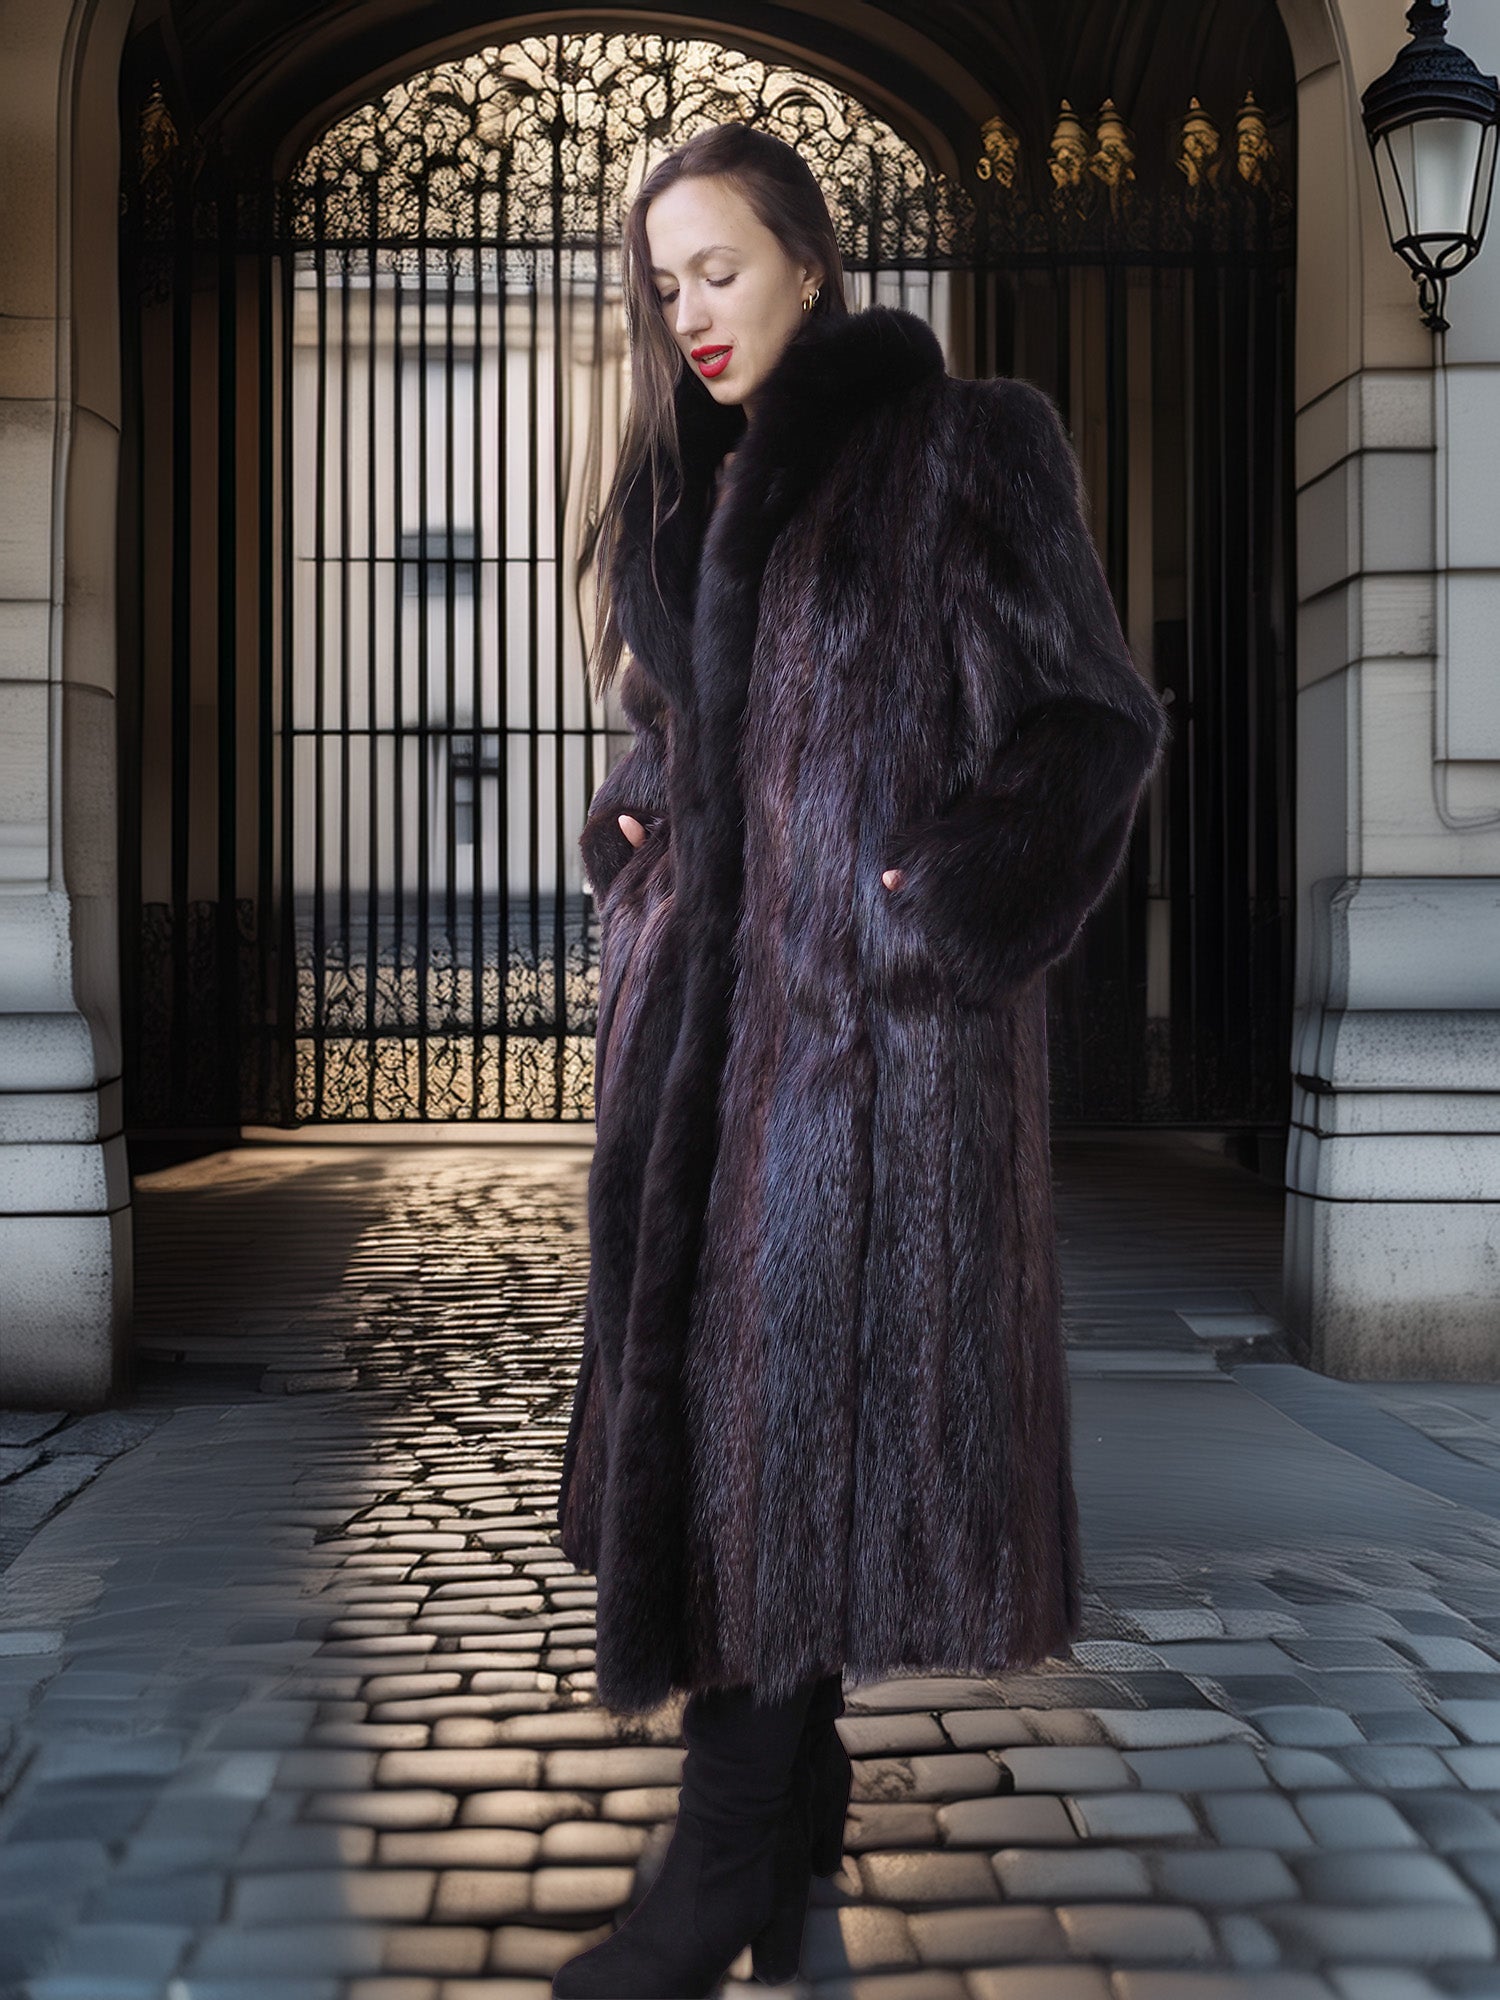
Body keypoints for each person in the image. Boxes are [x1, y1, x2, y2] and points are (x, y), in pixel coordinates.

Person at [551, 121, 1169, 1998]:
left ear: (810, 261)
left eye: (720, 269)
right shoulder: (686, 488)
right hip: (700, 1058)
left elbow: (1091, 721)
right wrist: (637, 821)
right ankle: (790, 1847)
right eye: (665, 284)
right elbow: (696, 736)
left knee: (766, 1450)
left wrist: (941, 901)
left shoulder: (967, 446)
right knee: (745, 1442)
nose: (691, 312)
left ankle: (717, 1867)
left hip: (867, 1068)